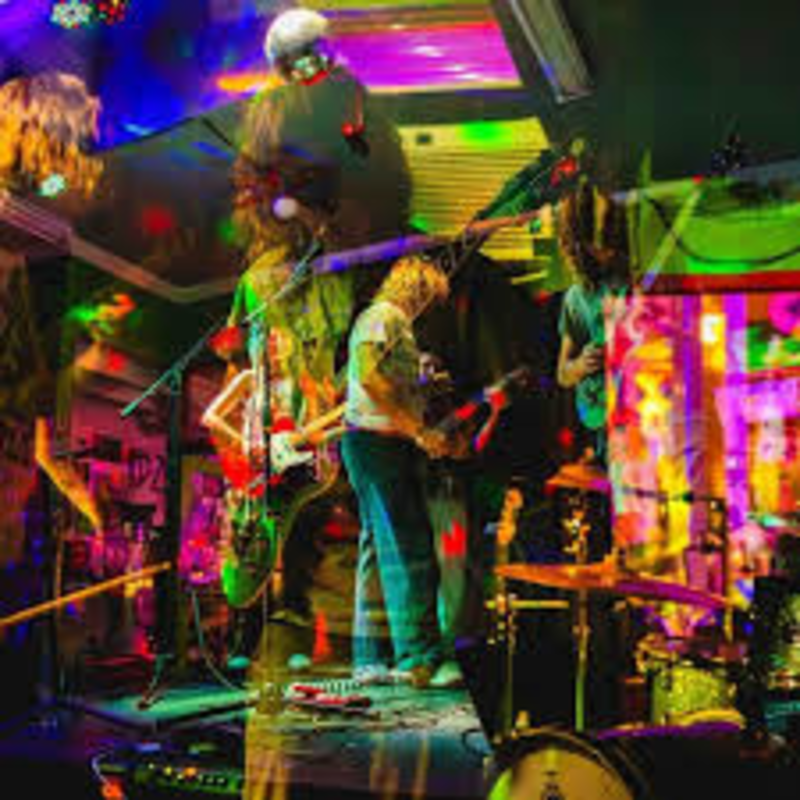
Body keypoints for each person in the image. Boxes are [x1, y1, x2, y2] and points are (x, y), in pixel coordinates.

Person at [341, 255, 463, 689]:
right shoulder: (385, 316)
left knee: (377, 551)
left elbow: (380, 381)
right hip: (379, 444)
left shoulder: (391, 324)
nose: (430, 309)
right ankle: (417, 657)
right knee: (408, 551)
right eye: (431, 298)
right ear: (419, 289)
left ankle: (370, 659)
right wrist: (418, 431)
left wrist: (424, 385)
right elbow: (369, 376)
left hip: (369, 442)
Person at [556, 182, 632, 467]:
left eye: (609, 239)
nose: (603, 249)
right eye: (592, 241)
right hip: (605, 424)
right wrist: (581, 365)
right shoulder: (576, 297)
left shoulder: (638, 282)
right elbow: (562, 374)